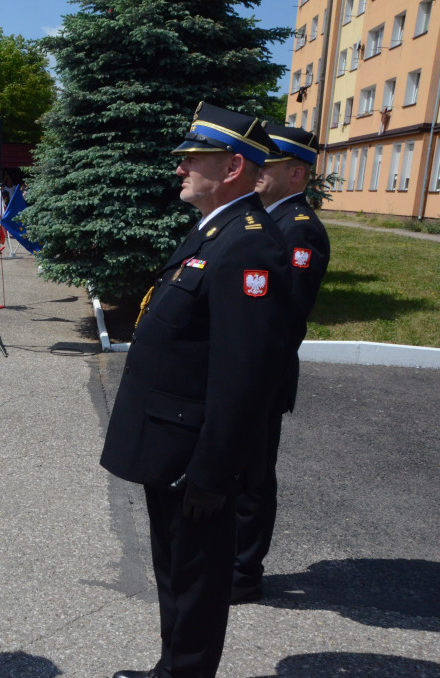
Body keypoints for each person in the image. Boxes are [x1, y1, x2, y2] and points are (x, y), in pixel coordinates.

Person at [101, 102, 293, 678]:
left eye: (192, 158)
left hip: (196, 458)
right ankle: (173, 668)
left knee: (196, 583)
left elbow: (245, 375)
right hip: (175, 447)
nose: (179, 167)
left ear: (232, 166)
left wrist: (212, 473)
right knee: (177, 574)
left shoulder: (249, 245)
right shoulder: (218, 231)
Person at [232, 124, 331, 605]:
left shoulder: (299, 228)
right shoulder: (268, 218)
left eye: (266, 167)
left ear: (296, 174)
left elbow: (284, 313)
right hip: (249, 371)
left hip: (263, 375)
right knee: (238, 469)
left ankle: (244, 573)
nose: (256, 173)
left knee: (252, 475)